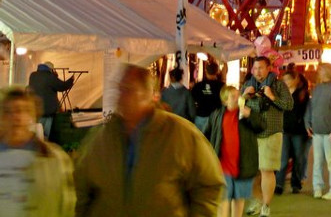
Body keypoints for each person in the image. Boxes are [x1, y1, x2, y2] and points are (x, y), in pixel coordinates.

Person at [74, 64, 225, 217]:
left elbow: (208, 184)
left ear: (150, 95)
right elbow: (82, 188)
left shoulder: (181, 135)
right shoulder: (102, 137)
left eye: (129, 90)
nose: (121, 96)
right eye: (120, 89)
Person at [0, 86, 76, 217]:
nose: (16, 117)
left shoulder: (54, 158)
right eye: (8, 111)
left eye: (22, 110)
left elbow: (66, 205)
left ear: (32, 114)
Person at [242, 56, 293, 217]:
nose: (258, 71)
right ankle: (256, 201)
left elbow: (289, 105)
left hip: (271, 132)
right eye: (255, 68)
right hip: (251, 133)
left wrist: (271, 96)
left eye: (261, 68)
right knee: (253, 172)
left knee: (266, 170)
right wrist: (243, 96)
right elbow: (233, 108)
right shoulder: (248, 85)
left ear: (269, 68)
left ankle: (266, 205)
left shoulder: (278, 85)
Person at [208, 85, 265, 217]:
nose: (237, 98)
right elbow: (207, 134)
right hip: (223, 166)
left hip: (243, 165)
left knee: (239, 199)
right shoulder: (217, 115)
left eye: (238, 95)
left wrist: (249, 115)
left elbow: (262, 126)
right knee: (223, 199)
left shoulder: (247, 112)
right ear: (225, 101)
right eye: (233, 96)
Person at [304, 62, 331, 201]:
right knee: (318, 161)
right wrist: (307, 122)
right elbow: (311, 106)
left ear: (328, 72)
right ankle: (317, 187)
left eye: (321, 70)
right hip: (317, 130)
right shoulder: (317, 88)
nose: (318, 73)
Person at [275, 69, 309, 195]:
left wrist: (306, 125)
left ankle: (296, 184)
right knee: (283, 159)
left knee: (298, 158)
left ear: (295, 79)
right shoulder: (281, 93)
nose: (287, 82)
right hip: (284, 130)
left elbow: (306, 111)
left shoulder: (302, 93)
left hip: (298, 131)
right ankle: (279, 184)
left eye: (289, 79)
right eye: (285, 80)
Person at [28, 61, 74, 140]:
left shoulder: (33, 75)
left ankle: (35, 147)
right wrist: (71, 80)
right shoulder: (50, 77)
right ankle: (43, 148)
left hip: (35, 110)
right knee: (44, 135)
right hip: (47, 111)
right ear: (51, 69)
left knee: (35, 133)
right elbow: (62, 86)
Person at [191, 61, 224, 133]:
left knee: (199, 140)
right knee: (213, 141)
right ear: (217, 71)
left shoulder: (198, 86)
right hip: (215, 117)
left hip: (201, 116)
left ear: (205, 71)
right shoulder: (221, 86)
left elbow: (192, 100)